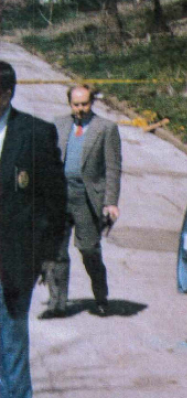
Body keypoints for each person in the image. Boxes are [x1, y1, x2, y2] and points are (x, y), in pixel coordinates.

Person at [0, 61, 66, 398]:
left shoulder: (35, 135)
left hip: (12, 264)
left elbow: (54, 204)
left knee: (11, 350)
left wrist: (45, 255)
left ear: (6, 95)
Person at [41, 84, 121, 319]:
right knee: (56, 252)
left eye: (85, 103)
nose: (80, 109)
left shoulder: (106, 128)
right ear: (70, 104)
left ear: (92, 102)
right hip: (59, 196)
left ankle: (101, 297)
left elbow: (113, 169)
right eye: (76, 104)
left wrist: (111, 201)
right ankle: (58, 303)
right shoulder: (58, 124)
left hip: (87, 199)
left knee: (89, 250)